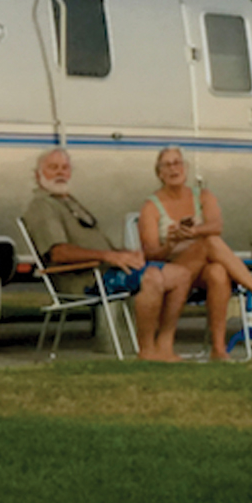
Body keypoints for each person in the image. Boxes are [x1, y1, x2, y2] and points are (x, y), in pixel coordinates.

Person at [22, 147, 203, 362]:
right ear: (38, 175)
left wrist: (125, 254)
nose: (60, 172)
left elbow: (98, 246)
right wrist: (108, 256)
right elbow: (58, 252)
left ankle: (164, 345)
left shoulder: (67, 201)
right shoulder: (42, 206)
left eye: (64, 167)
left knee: (181, 275)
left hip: (106, 269)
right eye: (53, 168)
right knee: (152, 277)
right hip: (85, 279)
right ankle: (146, 350)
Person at [139, 146, 252, 360]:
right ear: (159, 173)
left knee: (218, 271)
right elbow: (150, 253)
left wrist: (193, 232)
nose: (173, 169)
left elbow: (216, 225)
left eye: (177, 163)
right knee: (209, 242)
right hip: (172, 269)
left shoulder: (202, 196)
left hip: (200, 269)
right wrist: (171, 243)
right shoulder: (151, 206)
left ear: (186, 168)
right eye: (167, 165)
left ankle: (218, 349)